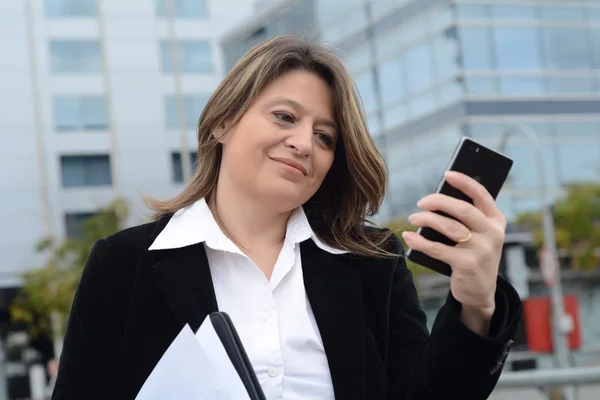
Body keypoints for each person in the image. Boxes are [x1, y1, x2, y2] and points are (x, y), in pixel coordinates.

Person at [52, 35, 522, 400]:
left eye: (325, 137)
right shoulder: (123, 264)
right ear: (222, 121)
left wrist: (477, 303)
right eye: (284, 117)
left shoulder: (371, 261)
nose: (303, 142)